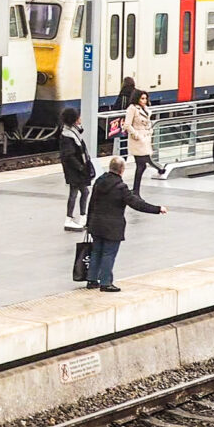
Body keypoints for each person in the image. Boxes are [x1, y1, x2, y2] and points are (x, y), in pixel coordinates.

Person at [85, 157, 167, 292]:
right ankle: (105, 282)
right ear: (122, 170)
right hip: (112, 227)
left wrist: (88, 223)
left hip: (96, 223)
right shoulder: (121, 187)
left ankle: (92, 280)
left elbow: (91, 202)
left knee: (96, 252)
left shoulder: (99, 182)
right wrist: (157, 209)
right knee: (108, 254)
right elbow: (137, 204)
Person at [123, 89, 164, 195]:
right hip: (138, 141)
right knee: (142, 164)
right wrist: (136, 135)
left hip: (145, 139)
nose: (144, 101)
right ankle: (136, 190)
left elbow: (148, 122)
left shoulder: (145, 109)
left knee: (142, 164)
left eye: (146, 98)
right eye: (142, 98)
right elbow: (127, 125)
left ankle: (136, 190)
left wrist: (150, 130)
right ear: (137, 98)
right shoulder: (132, 109)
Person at [59, 107, 94, 231]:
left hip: (76, 169)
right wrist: (80, 167)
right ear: (73, 119)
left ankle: (80, 217)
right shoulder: (68, 135)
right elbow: (69, 155)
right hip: (74, 170)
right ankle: (71, 218)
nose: (80, 119)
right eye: (78, 117)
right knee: (79, 192)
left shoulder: (72, 131)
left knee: (81, 192)